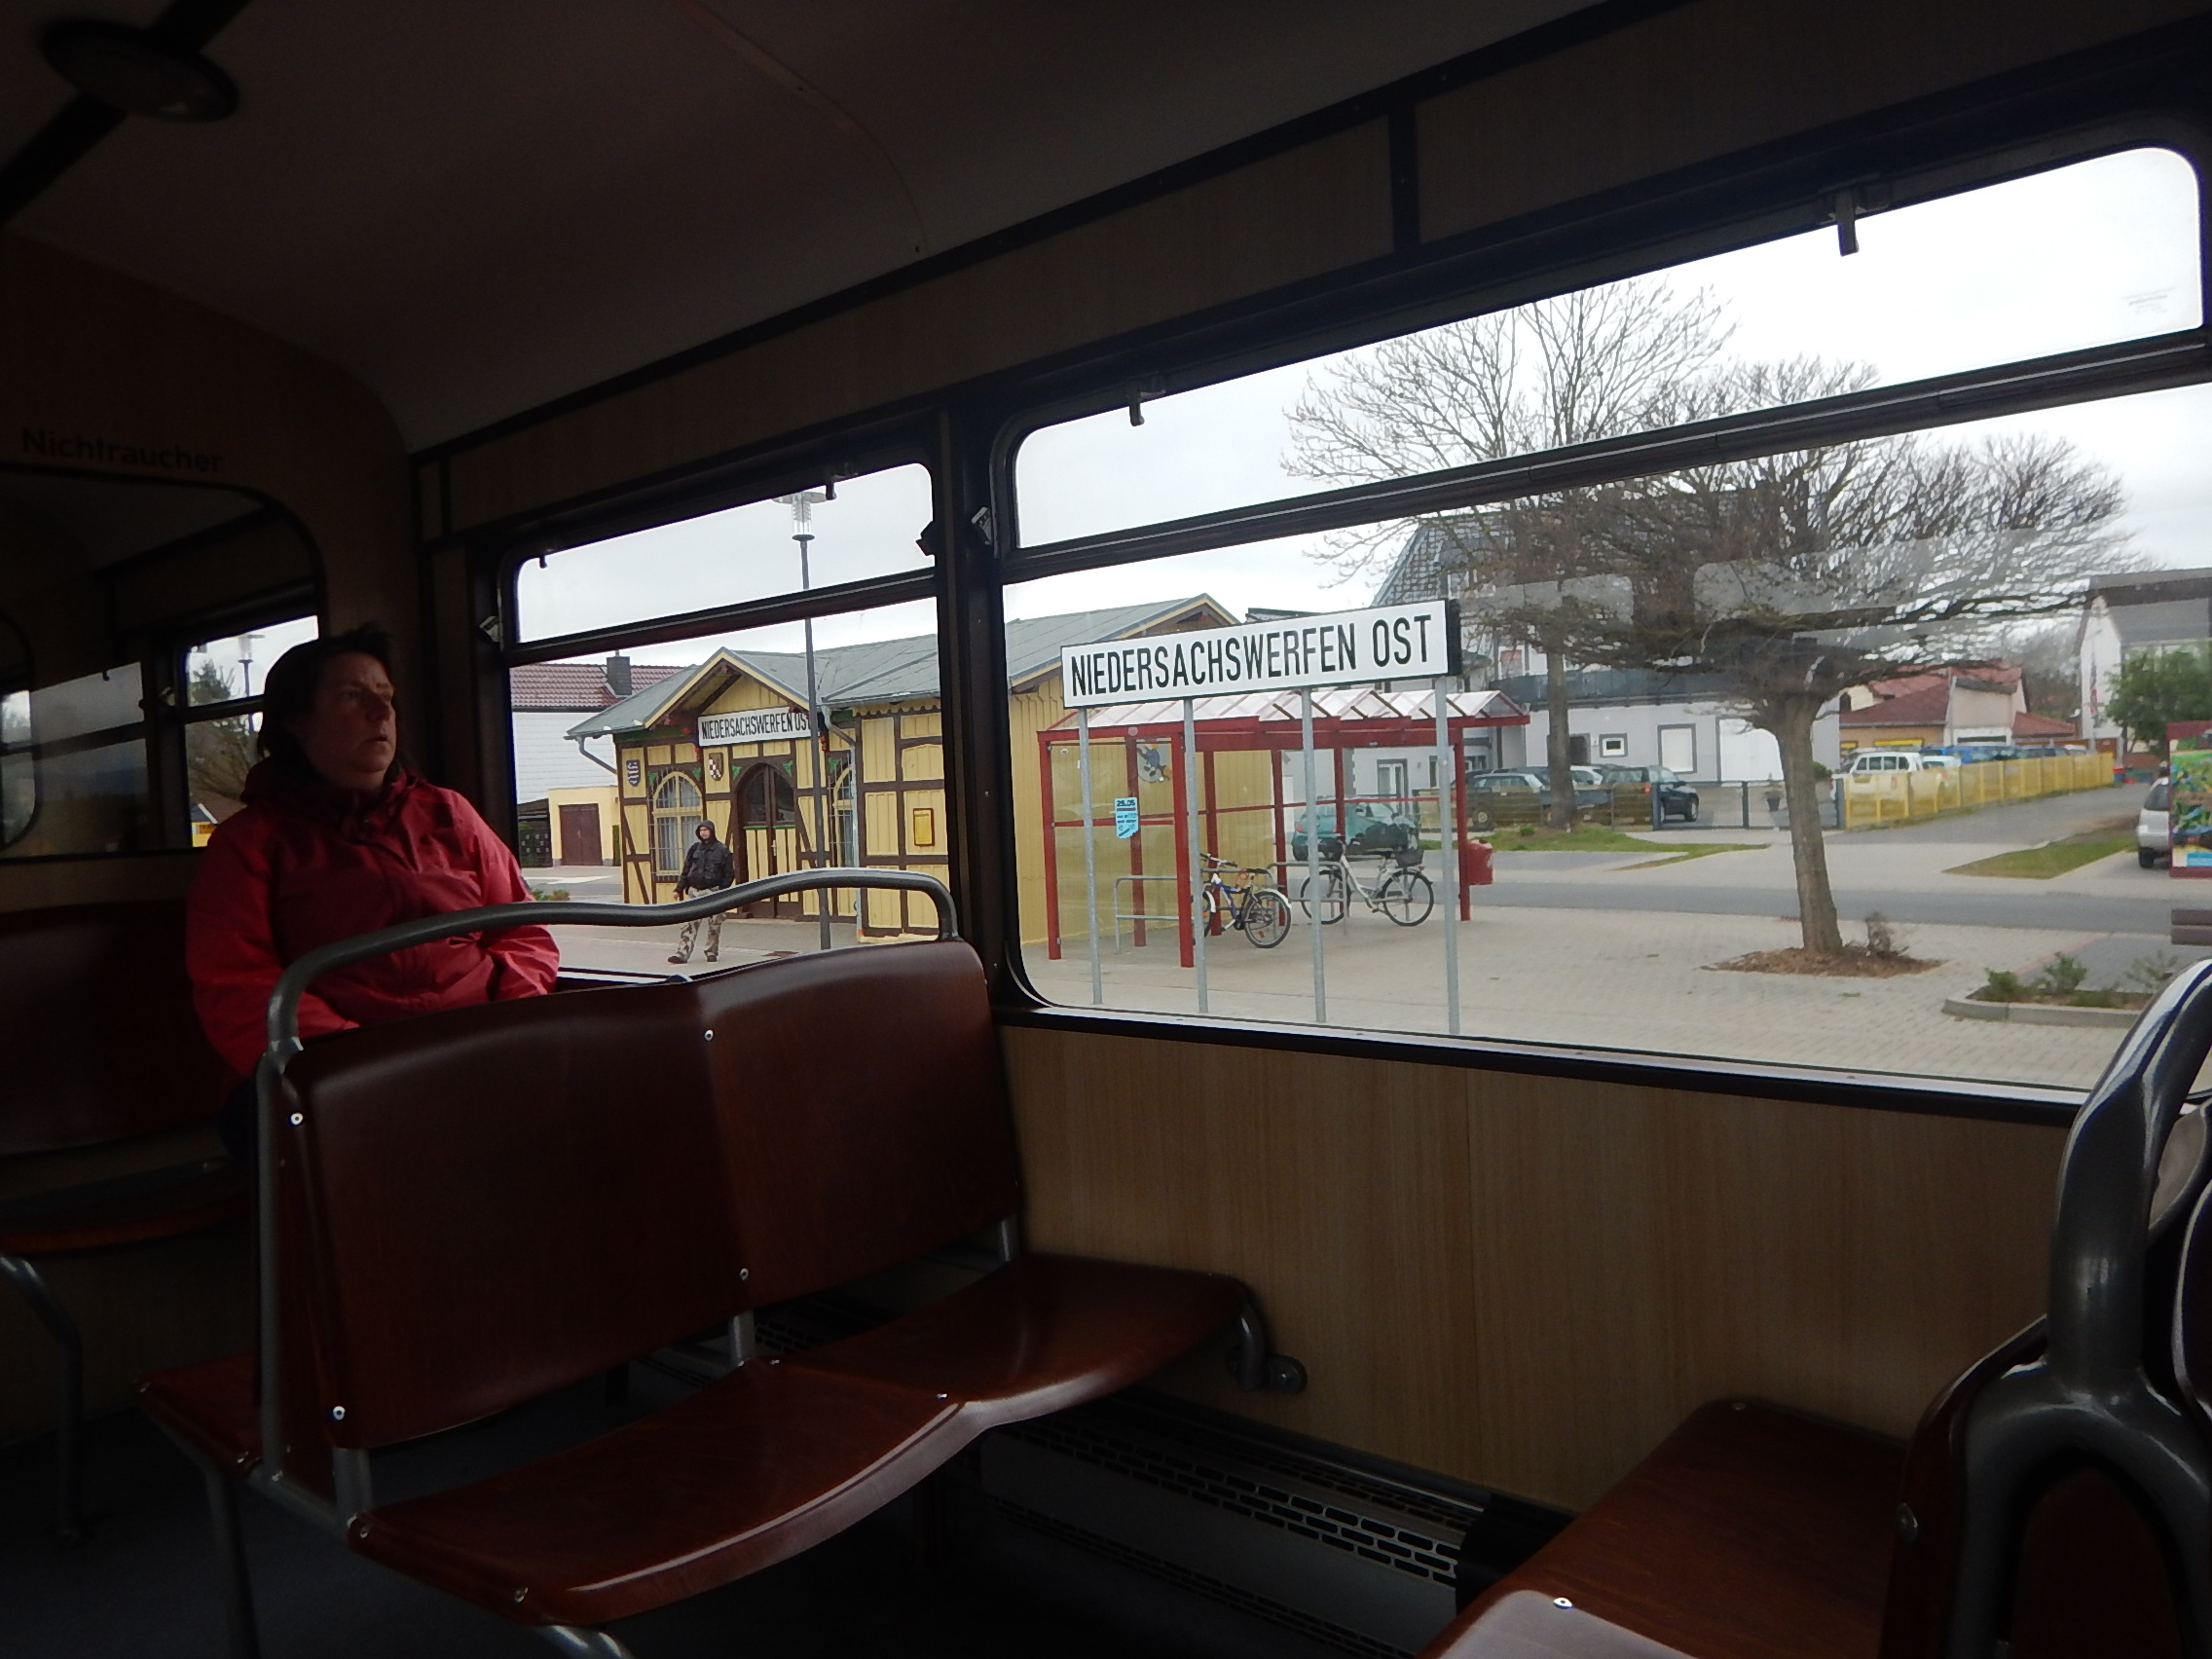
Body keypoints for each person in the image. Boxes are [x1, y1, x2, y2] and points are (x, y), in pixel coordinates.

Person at [187, 624, 559, 1159]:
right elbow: (237, 987)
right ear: (297, 721)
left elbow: (521, 931)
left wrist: (509, 1021)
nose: (381, 713)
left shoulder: (449, 813)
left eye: (386, 697)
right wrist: (356, 1059)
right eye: (351, 696)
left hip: (470, 1042)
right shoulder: (249, 844)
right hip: (326, 1067)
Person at [669, 819, 736, 963]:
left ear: (712, 831)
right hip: (695, 892)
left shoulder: (722, 850)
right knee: (688, 924)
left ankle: (711, 952)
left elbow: (729, 873)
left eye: (706, 830)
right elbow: (686, 870)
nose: (703, 833)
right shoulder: (694, 849)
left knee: (714, 925)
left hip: (714, 892)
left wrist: (722, 891)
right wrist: (678, 889)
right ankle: (682, 953)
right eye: (701, 830)